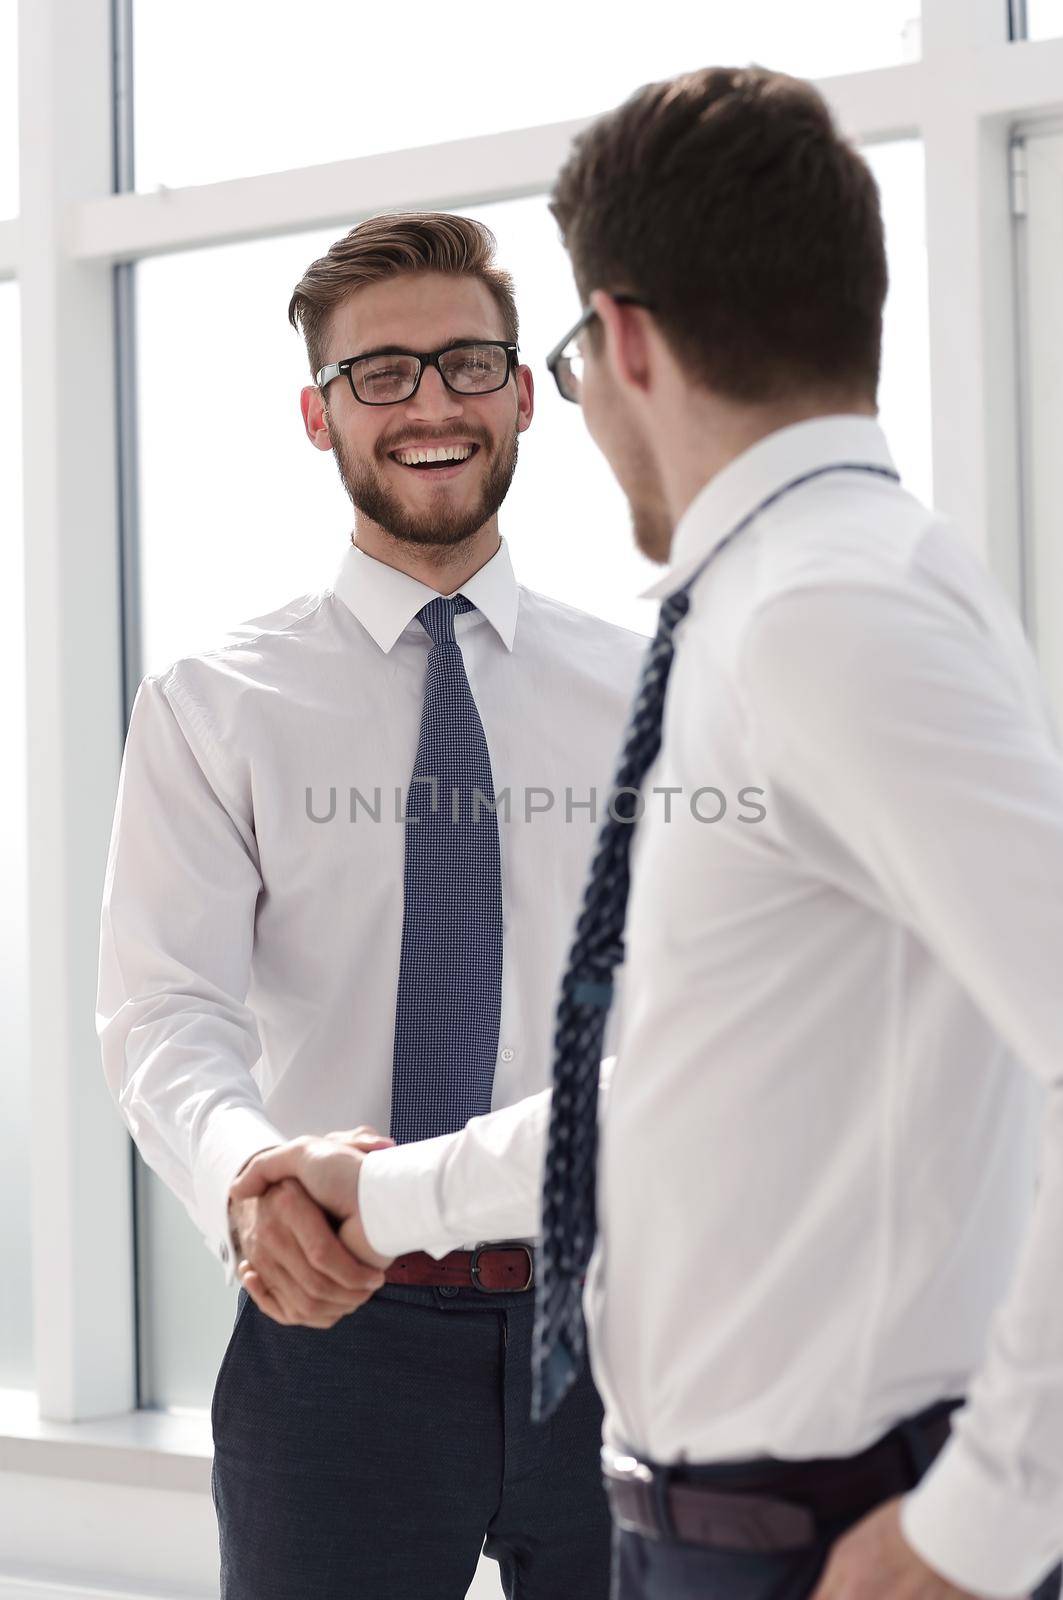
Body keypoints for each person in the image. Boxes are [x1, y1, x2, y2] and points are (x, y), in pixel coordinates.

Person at [231, 64, 1063, 1600]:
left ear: (611, 343)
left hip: (836, 1537)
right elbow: (693, 1074)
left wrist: (984, 1525)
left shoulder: (827, 617)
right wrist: (388, 1195)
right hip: (727, 1522)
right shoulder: (787, 608)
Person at [95, 211, 648, 1599]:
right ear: (316, 414)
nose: (432, 406)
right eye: (380, 376)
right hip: (338, 1326)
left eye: (467, 364)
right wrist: (241, 1181)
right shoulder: (215, 703)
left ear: (525, 392)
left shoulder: (655, 693)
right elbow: (167, 1007)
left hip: (630, 1326)